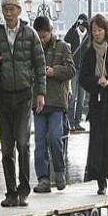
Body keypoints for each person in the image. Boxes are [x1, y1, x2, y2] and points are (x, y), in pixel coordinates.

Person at [0, 0, 46, 208]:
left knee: (22, 142)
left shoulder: (30, 34)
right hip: (3, 95)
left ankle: (24, 188)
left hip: (23, 95)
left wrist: (41, 92)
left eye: (12, 9)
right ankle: (10, 191)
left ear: (19, 11)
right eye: (5, 9)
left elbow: (40, 64)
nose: (8, 13)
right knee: (6, 145)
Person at [78, 14, 108, 194]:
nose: (97, 33)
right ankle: (100, 180)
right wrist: (96, 81)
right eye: (94, 30)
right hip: (97, 103)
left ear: (105, 30)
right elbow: (83, 78)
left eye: (99, 30)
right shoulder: (89, 52)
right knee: (96, 141)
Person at [32, 15, 75, 193]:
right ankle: (43, 178)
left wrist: (54, 71)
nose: (42, 40)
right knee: (40, 141)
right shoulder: (32, 48)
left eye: (45, 36)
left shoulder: (63, 47)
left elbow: (71, 70)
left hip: (57, 102)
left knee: (55, 138)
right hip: (38, 102)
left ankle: (59, 171)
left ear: (51, 32)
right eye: (39, 37)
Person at [64, 14, 89, 131]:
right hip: (74, 69)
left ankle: (78, 122)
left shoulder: (88, 36)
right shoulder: (74, 33)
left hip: (84, 70)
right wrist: (75, 24)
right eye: (81, 24)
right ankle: (70, 122)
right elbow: (66, 39)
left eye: (83, 24)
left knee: (81, 97)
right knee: (73, 97)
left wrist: (87, 25)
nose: (82, 27)